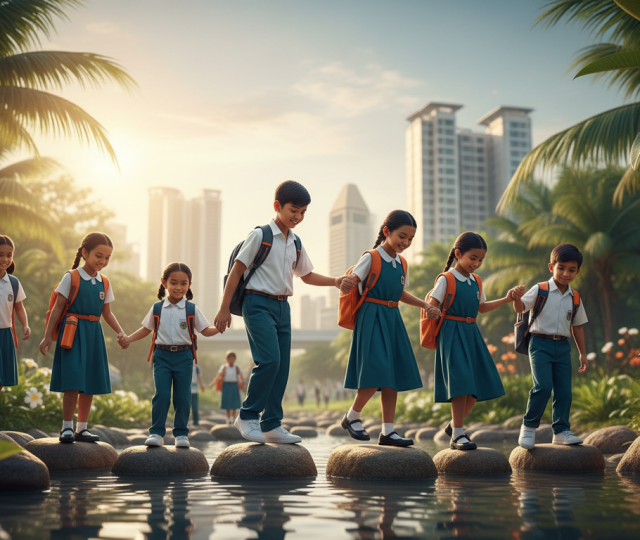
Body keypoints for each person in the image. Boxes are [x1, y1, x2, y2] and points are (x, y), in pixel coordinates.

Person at [215, 180, 356, 444]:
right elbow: (236, 271)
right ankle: (247, 416)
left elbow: (307, 275)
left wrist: (336, 281)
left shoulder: (295, 242)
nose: (298, 217)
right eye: (294, 210)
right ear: (277, 206)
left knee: (282, 367)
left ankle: (271, 424)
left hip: (283, 306)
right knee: (269, 361)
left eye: (303, 212)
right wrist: (223, 309)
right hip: (256, 303)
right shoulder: (260, 235)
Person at [340, 210, 441, 447]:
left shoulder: (402, 263)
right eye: (401, 236)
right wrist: (349, 281)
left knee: (391, 376)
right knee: (377, 371)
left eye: (410, 239)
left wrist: (425, 304)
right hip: (371, 317)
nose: (405, 243)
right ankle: (352, 416)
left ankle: (388, 431)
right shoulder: (371, 257)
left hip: (392, 317)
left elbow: (400, 293)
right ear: (387, 232)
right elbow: (353, 280)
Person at [427, 232, 524, 450]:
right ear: (458, 254)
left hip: (472, 332)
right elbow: (432, 304)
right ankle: (457, 436)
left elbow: (482, 308)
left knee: (478, 384)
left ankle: (454, 426)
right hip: (451, 333)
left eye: (481, 260)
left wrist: (508, 299)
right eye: (473, 258)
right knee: (461, 384)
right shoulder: (446, 279)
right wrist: (431, 311)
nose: (477, 264)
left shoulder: (476, 281)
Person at [40, 232, 127, 443]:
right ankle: (67, 428)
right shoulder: (71, 277)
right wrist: (47, 337)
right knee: (73, 381)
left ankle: (82, 428)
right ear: (85, 253)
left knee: (89, 382)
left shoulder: (104, 282)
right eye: (99, 255)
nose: (103, 261)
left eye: (107, 258)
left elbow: (107, 313)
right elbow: (58, 307)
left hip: (94, 333)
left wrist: (120, 332)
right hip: (72, 331)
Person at [125, 262, 219, 448]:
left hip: (185, 357)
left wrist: (219, 328)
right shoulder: (157, 308)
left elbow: (205, 330)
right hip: (162, 356)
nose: (178, 287)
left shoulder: (191, 309)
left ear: (189, 285)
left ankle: (181, 434)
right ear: (164, 283)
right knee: (162, 394)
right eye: (173, 283)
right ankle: (156, 433)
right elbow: (146, 329)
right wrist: (128, 339)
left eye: (183, 283)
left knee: (183, 396)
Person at [514, 244, 589, 449]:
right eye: (561, 268)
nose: (566, 273)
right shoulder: (540, 289)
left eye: (571, 270)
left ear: (577, 271)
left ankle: (561, 431)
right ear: (551, 267)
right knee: (543, 387)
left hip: (563, 347)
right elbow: (521, 308)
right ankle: (528, 428)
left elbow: (578, 326)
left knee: (564, 391)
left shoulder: (575, 297)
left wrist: (583, 354)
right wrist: (516, 298)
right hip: (539, 343)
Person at [0, 235, 30, 391]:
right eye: (0, 254)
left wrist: (25, 325)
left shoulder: (13, 282)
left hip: (5, 335)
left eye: (9, 255)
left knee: (1, 379)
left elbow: (19, 307)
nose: (5, 259)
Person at [208, 350, 245, 425]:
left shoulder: (237, 367)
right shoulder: (224, 367)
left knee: (234, 404)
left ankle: (233, 418)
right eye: (229, 358)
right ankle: (228, 419)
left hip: (234, 386)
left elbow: (241, 376)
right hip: (226, 386)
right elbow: (218, 376)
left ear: (235, 359)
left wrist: (244, 383)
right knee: (227, 404)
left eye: (232, 358)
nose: (231, 360)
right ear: (226, 359)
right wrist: (212, 384)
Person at [191, 362, 205, 427]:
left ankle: (195, 421)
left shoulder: (196, 367)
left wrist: (202, 386)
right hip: (186, 389)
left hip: (194, 389)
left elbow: (199, 377)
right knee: (185, 406)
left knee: (195, 406)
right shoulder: (184, 364)